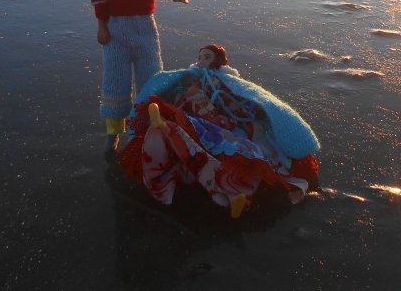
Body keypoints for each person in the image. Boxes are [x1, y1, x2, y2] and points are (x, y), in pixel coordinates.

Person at [119, 44, 320, 218]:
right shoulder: (195, 80)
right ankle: (228, 194)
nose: (201, 61)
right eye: (200, 57)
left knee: (218, 156)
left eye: (207, 57)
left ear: (219, 61)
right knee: (191, 152)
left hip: (219, 126)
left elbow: (252, 101)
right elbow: (181, 95)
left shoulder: (225, 82)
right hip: (200, 122)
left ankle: (232, 196)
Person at [86, 0, 189, 158]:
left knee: (151, 78)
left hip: (145, 28)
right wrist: (101, 26)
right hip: (115, 31)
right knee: (115, 81)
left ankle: (150, 127)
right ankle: (113, 132)